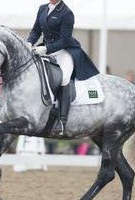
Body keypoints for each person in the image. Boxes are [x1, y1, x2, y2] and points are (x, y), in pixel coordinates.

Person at [27, 0, 99, 135]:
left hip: (64, 51)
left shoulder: (67, 13)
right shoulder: (42, 9)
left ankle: (62, 121)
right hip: (45, 49)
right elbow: (36, 30)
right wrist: (29, 42)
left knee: (64, 78)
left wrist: (46, 48)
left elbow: (64, 40)